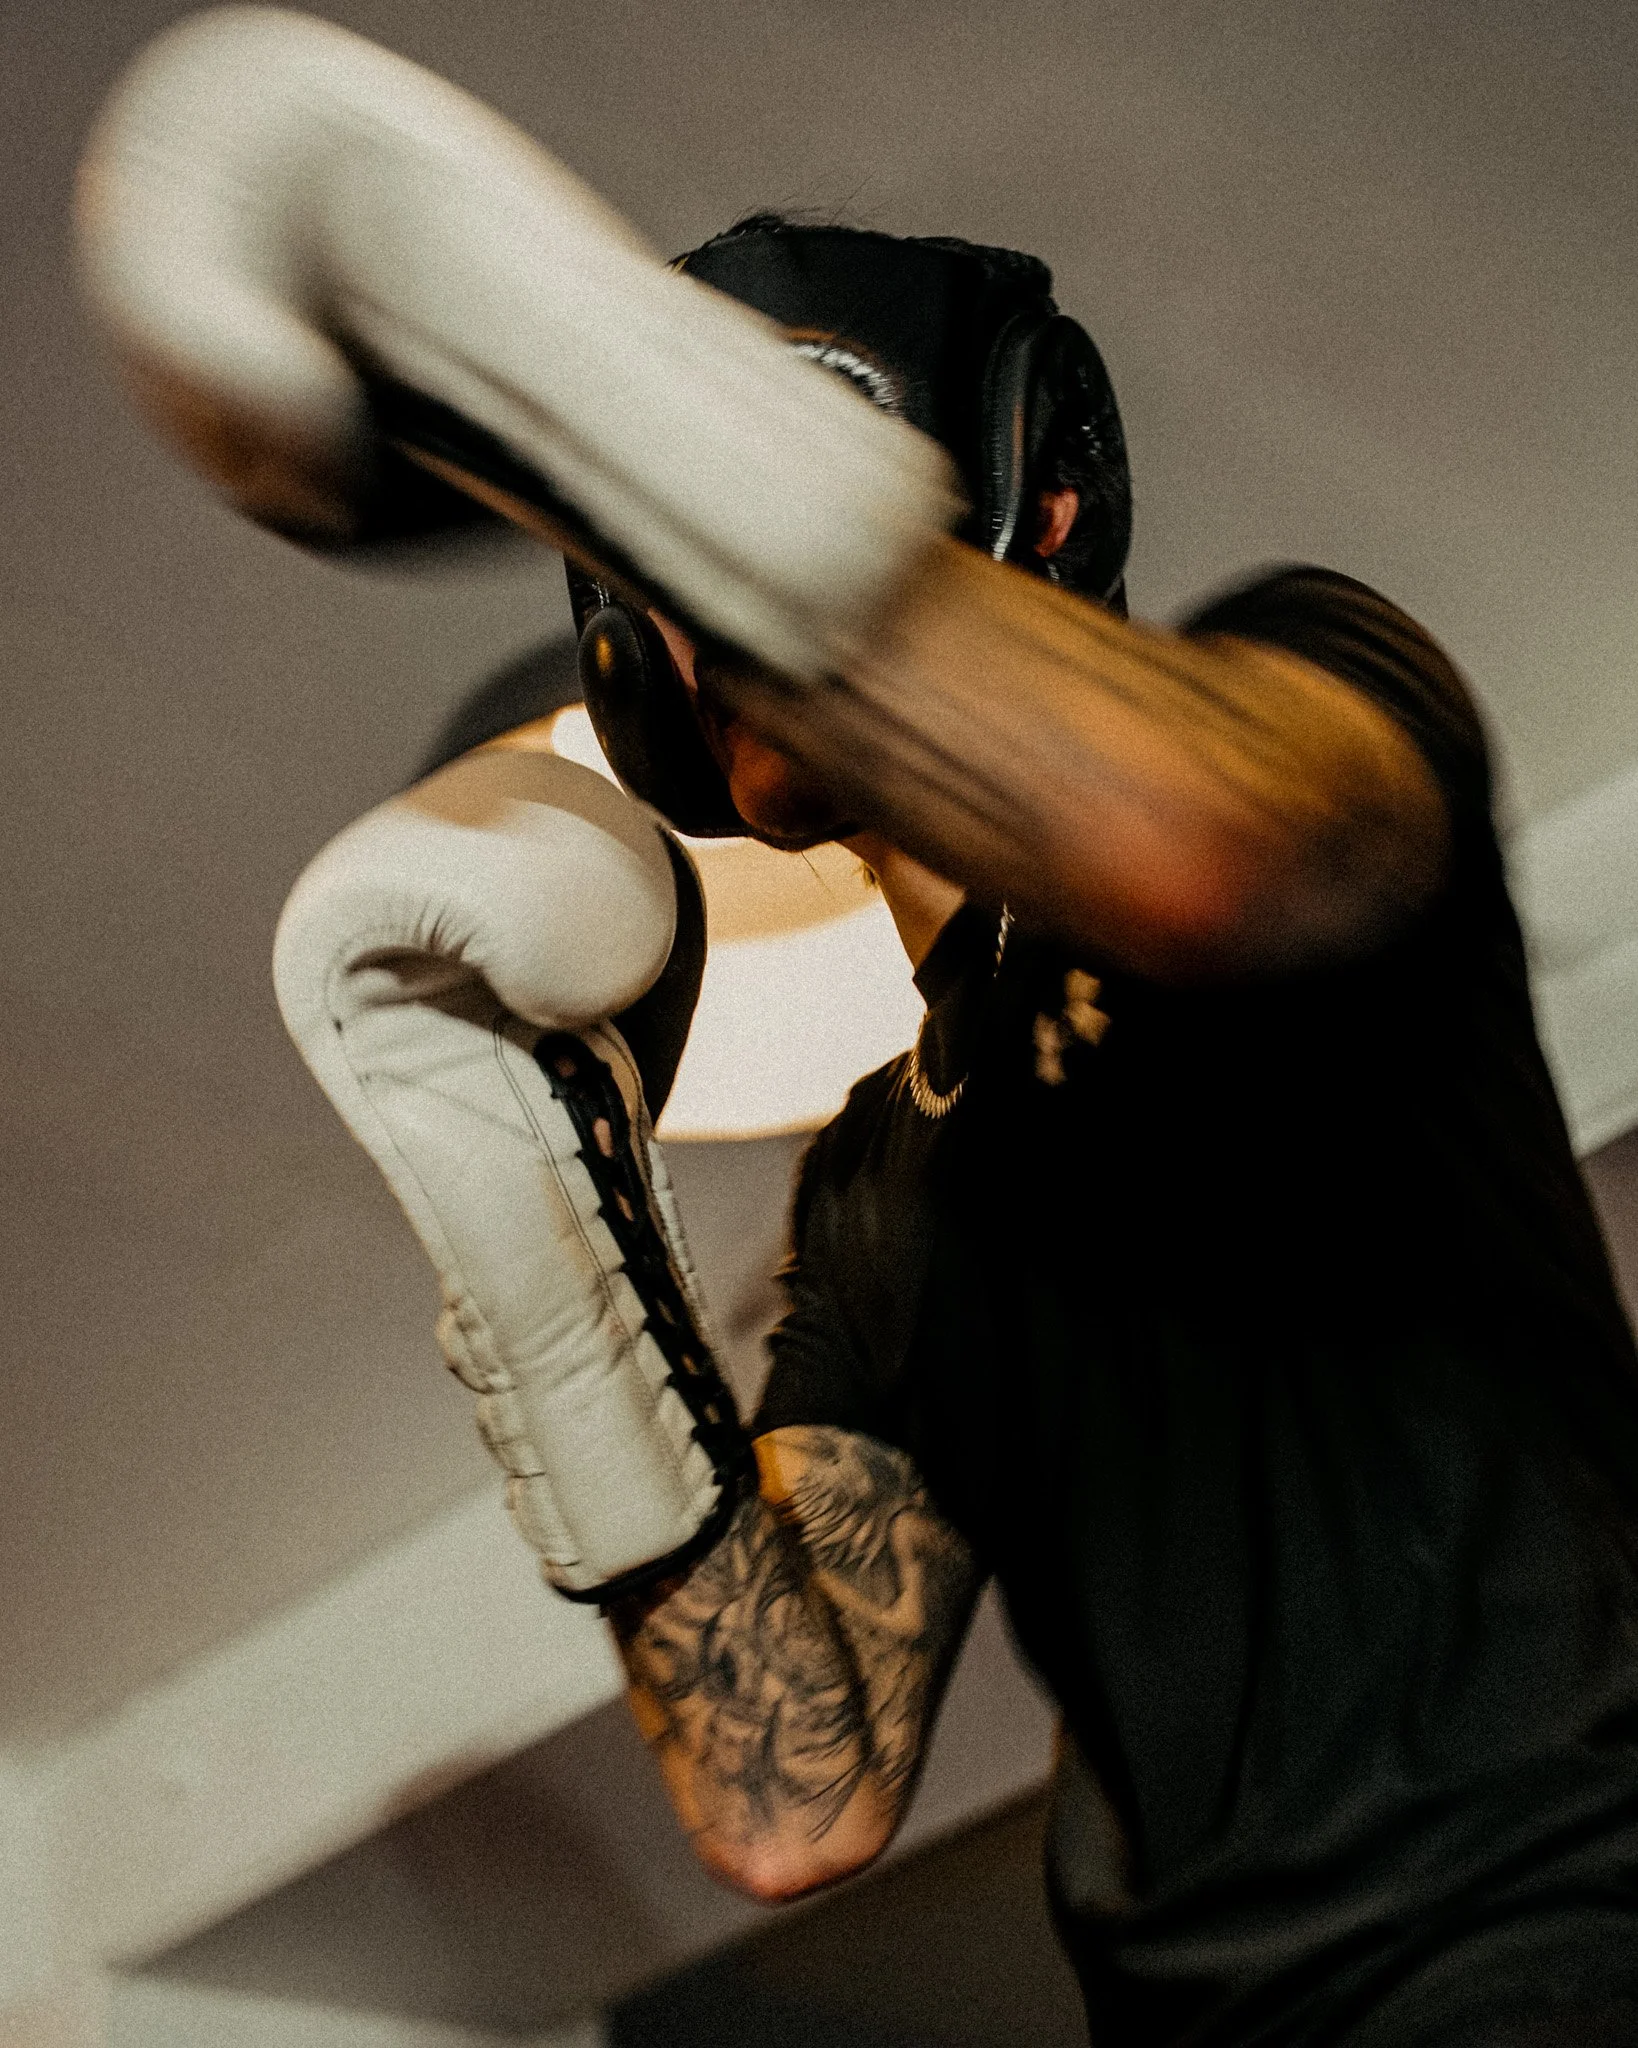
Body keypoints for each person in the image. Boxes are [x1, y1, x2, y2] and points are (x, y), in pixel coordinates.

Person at [80, 17, 1638, 2045]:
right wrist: (543, 1211)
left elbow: (1209, 855)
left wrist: (581, 406)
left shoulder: (1303, 678)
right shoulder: (884, 1192)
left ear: (1032, 500)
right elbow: (787, 1794)